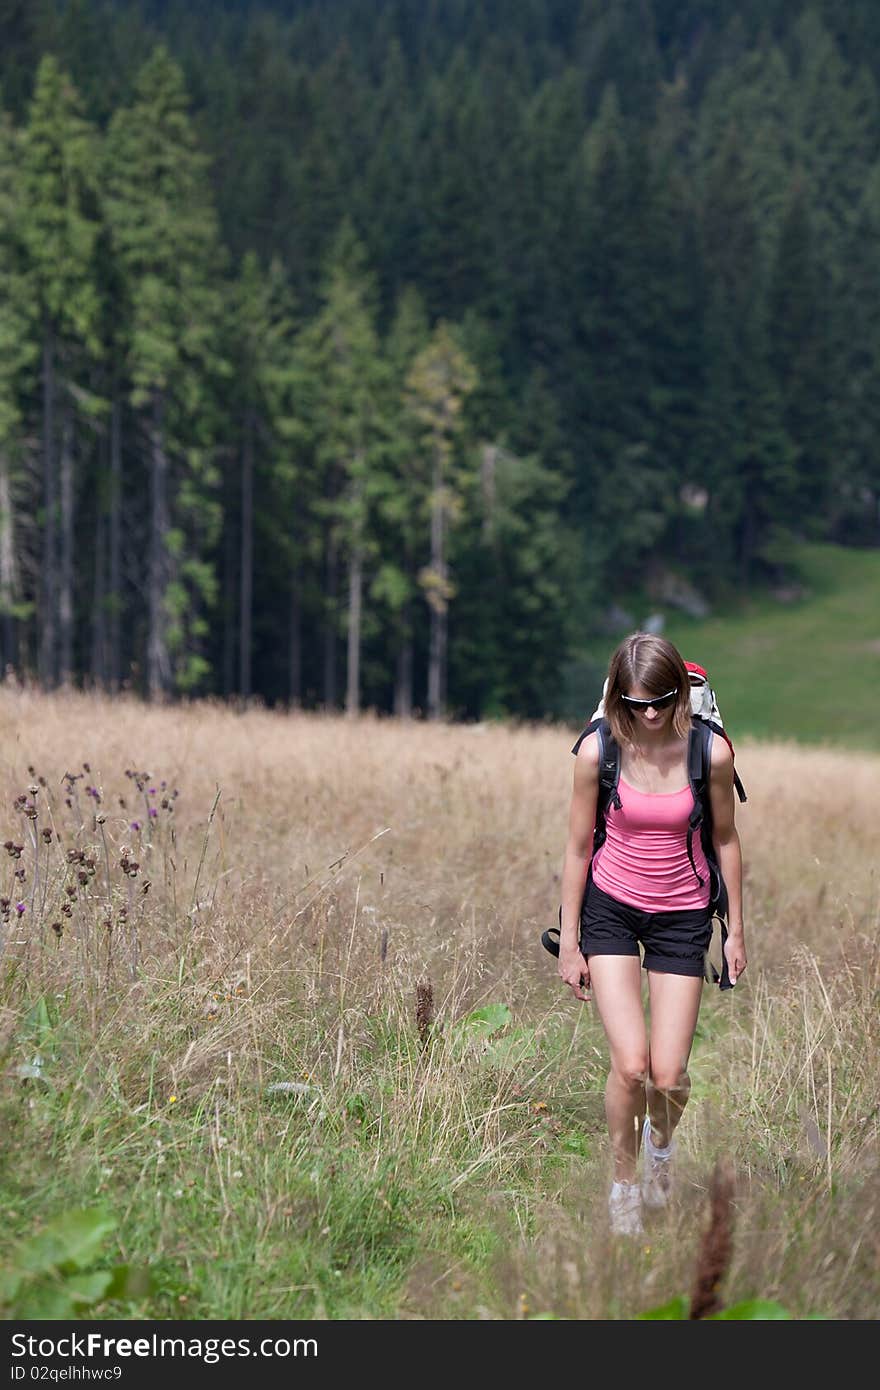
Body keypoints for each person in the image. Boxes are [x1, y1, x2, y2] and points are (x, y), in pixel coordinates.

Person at [558, 631, 746, 1236]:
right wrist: (569, 939)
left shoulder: (708, 754)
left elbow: (725, 840)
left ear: (680, 695)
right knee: (632, 1066)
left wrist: (736, 932)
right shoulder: (598, 752)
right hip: (611, 908)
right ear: (617, 698)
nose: (648, 715)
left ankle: (660, 1152)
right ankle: (623, 1190)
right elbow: (578, 846)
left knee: (669, 1075)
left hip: (684, 912)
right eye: (634, 704)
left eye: (659, 702)